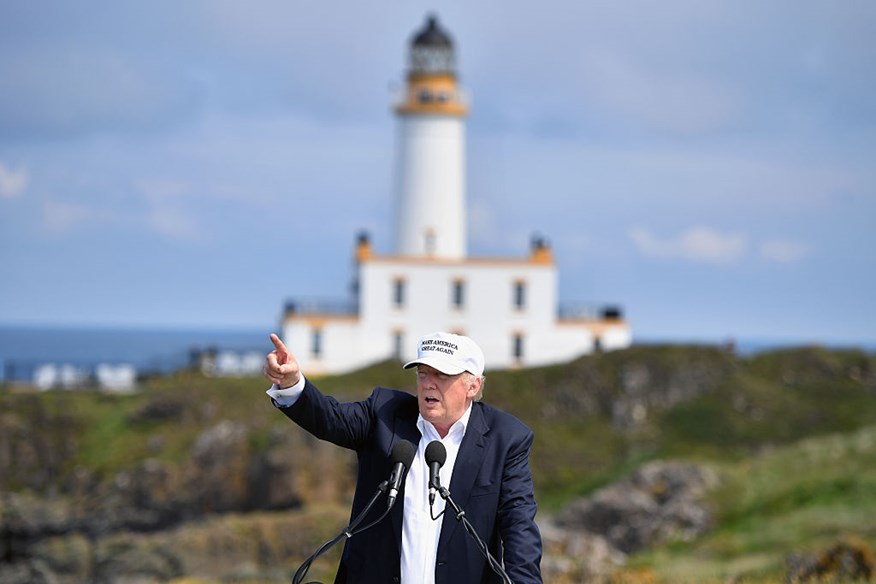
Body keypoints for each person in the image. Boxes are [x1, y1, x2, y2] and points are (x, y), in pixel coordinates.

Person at [263, 331, 542, 584]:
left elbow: (519, 527)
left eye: (441, 375)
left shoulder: (506, 439)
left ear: (473, 386)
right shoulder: (385, 414)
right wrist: (292, 384)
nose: (428, 384)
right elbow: (330, 418)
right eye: (423, 373)